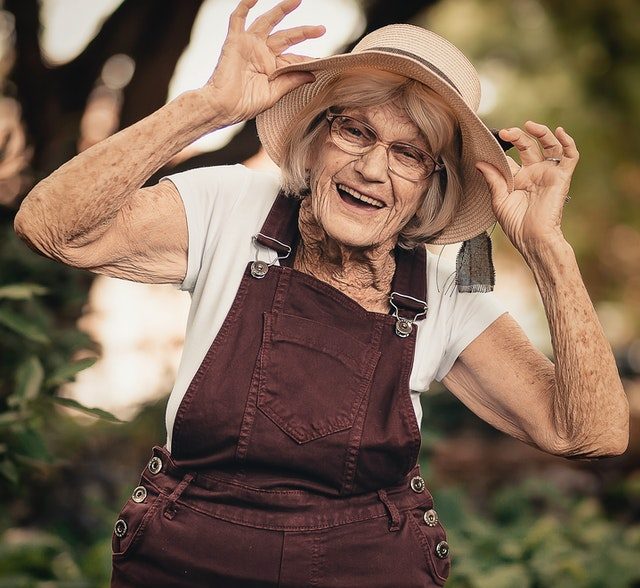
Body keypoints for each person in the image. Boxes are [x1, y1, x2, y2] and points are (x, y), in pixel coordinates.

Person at [14, 0, 629, 585]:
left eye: (408, 155)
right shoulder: (232, 206)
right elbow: (49, 226)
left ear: (432, 187)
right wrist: (205, 107)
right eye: (355, 132)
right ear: (315, 137)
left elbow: (590, 433)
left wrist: (548, 250)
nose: (372, 168)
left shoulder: (446, 294)